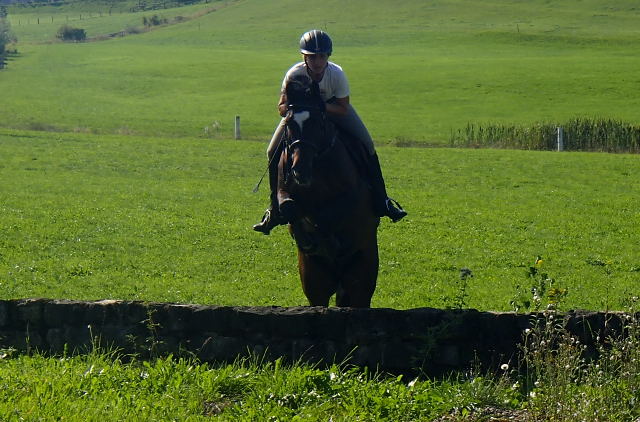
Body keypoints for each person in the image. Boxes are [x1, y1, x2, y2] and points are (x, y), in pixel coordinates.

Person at [253, 29, 407, 234]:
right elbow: (281, 106)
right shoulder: (294, 74)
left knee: (367, 145)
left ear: (328, 56)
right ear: (304, 57)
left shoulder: (336, 74)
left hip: (333, 110)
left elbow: (343, 108)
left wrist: (320, 107)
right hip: (301, 114)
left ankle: (382, 200)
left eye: (322, 56)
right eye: (312, 57)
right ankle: (274, 208)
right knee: (272, 151)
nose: (317, 61)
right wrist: (295, 108)